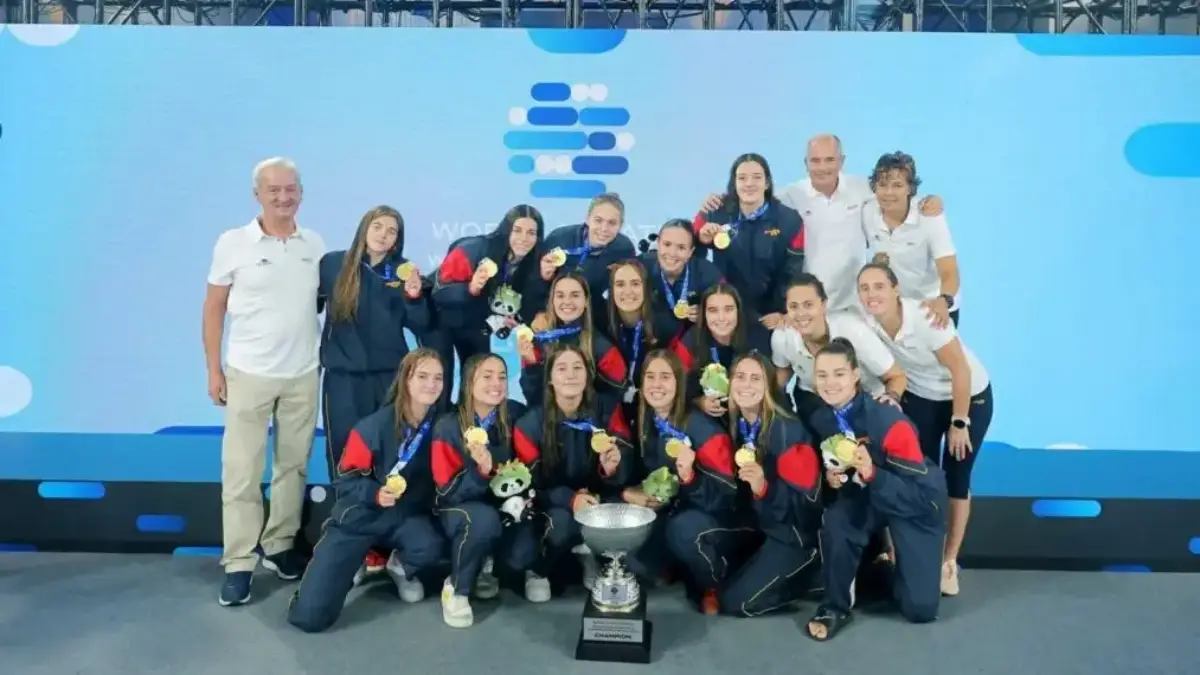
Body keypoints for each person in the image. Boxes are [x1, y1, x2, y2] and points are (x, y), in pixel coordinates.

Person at [203, 157, 325, 607]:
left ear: (301, 192)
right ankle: (238, 563)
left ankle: (279, 546)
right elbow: (213, 307)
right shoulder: (233, 243)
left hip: (302, 375)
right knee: (242, 473)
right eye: (274, 190)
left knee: (293, 467)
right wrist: (214, 369)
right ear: (257, 194)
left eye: (291, 188)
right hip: (248, 374)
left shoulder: (313, 244)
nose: (283, 197)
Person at [286, 348, 447, 632]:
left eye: (438, 378)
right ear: (405, 379)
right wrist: (374, 493)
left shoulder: (443, 425)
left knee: (431, 544)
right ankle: (356, 558)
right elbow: (345, 479)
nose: (431, 384)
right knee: (309, 618)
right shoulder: (371, 427)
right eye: (422, 376)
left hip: (406, 517)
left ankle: (399, 566)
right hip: (361, 517)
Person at [856, 262, 993, 597]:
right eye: (865, 288)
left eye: (879, 286)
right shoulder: (868, 324)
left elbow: (959, 368)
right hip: (923, 397)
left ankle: (949, 561)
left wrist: (960, 422)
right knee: (920, 476)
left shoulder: (926, 318)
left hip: (968, 395)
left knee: (957, 477)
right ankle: (916, 551)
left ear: (895, 288)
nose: (872, 294)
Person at [805, 339, 948, 641]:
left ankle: (892, 566)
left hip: (914, 501)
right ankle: (834, 607)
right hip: (866, 497)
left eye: (839, 374)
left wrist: (872, 473)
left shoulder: (889, 421)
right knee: (837, 520)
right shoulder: (820, 418)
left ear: (856, 375)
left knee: (920, 609)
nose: (830, 383)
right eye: (822, 375)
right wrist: (833, 479)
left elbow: (920, 497)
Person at [624, 350, 740, 615]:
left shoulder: (705, 431)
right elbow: (637, 473)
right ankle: (675, 564)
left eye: (665, 377)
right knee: (631, 555)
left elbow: (726, 498)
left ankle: (712, 583)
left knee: (684, 531)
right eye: (650, 376)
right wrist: (631, 494)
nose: (656, 384)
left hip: (716, 517)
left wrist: (690, 478)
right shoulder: (647, 421)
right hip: (672, 508)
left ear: (679, 384)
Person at [772, 135, 943, 313]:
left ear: (842, 161)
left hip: (854, 304)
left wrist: (931, 200)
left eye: (829, 160)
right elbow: (760, 204)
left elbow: (896, 195)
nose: (822, 167)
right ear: (806, 163)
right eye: (815, 161)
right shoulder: (791, 195)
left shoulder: (861, 187)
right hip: (811, 303)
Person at [512, 345, 635, 590]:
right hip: (552, 502)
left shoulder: (608, 409)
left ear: (588, 376)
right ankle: (539, 569)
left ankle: (592, 556)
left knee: (624, 513)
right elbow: (533, 485)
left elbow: (626, 455)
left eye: (578, 368)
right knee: (559, 524)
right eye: (562, 368)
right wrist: (571, 500)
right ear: (549, 379)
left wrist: (612, 468)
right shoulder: (529, 424)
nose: (571, 374)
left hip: (599, 496)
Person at [718, 353, 823, 617]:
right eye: (740, 377)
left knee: (736, 603)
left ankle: (815, 578)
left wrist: (763, 488)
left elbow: (807, 509)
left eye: (756, 379)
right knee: (720, 584)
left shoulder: (788, 432)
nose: (746, 385)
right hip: (763, 526)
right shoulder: (738, 423)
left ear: (769, 387)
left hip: (796, 537)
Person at [430, 353, 529, 628]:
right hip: (458, 506)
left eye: (502, 376)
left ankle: (485, 565)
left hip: (503, 505)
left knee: (524, 551)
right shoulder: (447, 426)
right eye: (487, 376)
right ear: (468, 382)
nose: (496, 383)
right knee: (482, 520)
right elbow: (446, 490)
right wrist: (481, 471)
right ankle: (457, 589)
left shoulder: (516, 414)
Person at [431, 205, 546, 404]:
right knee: (441, 376)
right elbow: (438, 292)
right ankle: (439, 429)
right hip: (439, 318)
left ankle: (470, 428)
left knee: (478, 376)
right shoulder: (473, 249)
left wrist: (516, 319)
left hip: (475, 323)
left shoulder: (533, 264)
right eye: (517, 230)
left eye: (531, 233)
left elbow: (523, 303)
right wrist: (470, 288)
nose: (524, 238)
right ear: (505, 230)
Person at [690, 153, 805, 329]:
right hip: (724, 314)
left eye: (757, 177)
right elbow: (690, 255)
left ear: (767, 183)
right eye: (742, 178)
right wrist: (701, 239)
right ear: (734, 183)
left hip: (769, 317)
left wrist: (784, 311)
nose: (749, 184)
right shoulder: (714, 212)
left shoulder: (789, 220)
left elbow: (793, 273)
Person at [771, 274, 906, 424]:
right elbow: (782, 375)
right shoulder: (782, 337)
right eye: (794, 306)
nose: (801, 313)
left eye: (808, 305)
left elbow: (896, 376)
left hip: (865, 399)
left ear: (823, 305)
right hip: (816, 401)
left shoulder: (854, 331)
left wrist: (891, 401)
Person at [862, 152, 961, 328]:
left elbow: (949, 270)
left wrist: (943, 301)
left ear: (910, 188)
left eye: (897, 185)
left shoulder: (929, 216)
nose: (889, 192)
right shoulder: (868, 210)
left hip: (934, 306)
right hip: (897, 307)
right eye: (883, 185)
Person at [516, 273, 626, 408]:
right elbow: (533, 399)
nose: (567, 301)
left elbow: (615, 403)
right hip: (549, 421)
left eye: (575, 295)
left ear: (586, 301)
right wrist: (531, 364)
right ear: (552, 301)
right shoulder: (539, 342)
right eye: (560, 295)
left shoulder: (604, 350)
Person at [671, 283, 771, 420]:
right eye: (713, 310)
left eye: (728, 309)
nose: (721, 318)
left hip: (755, 408)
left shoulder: (758, 336)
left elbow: (774, 383)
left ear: (738, 311)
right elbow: (677, 387)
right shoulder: (690, 342)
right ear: (703, 314)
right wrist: (700, 402)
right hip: (715, 415)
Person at [538, 192, 636, 319]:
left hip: (596, 319)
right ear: (587, 218)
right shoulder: (558, 238)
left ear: (620, 225)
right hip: (555, 315)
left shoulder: (624, 249)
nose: (604, 228)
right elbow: (534, 283)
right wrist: (544, 277)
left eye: (612, 223)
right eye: (598, 220)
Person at [636, 219, 723, 346]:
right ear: (658, 244)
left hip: (694, 348)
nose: (672, 253)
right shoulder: (640, 268)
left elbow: (728, 309)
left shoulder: (708, 273)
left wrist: (708, 313)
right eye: (667, 244)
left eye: (681, 247)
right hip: (650, 348)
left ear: (691, 252)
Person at [596, 259, 660, 411]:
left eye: (635, 284)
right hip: (611, 408)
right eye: (620, 284)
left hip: (652, 406)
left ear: (646, 288)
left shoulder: (663, 326)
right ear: (611, 290)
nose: (628, 291)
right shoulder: (600, 323)